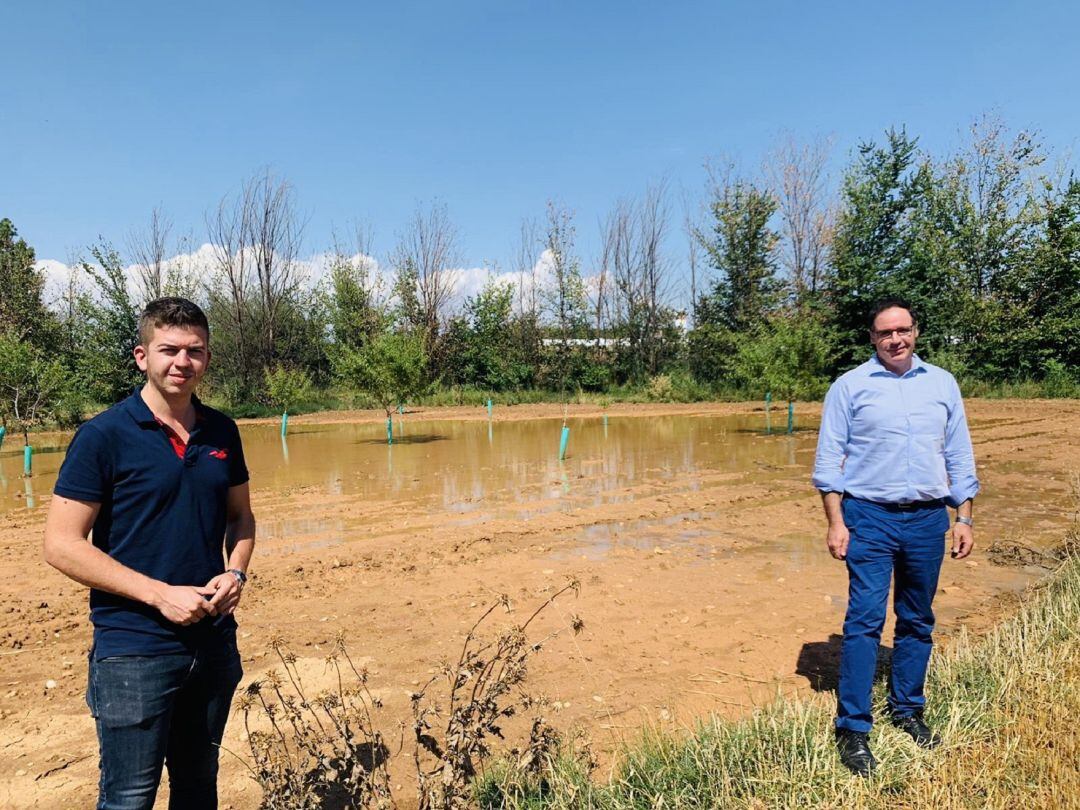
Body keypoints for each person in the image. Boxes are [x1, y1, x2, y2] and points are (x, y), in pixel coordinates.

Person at [44, 297, 255, 809]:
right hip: (133, 649)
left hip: (211, 643)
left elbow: (241, 517)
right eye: (169, 349)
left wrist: (236, 573)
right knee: (129, 798)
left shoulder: (222, 431)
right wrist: (160, 596)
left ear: (207, 359)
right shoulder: (103, 436)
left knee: (198, 787)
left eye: (195, 351)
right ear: (142, 356)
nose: (182, 361)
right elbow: (61, 544)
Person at [812, 298, 978, 777]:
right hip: (868, 517)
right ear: (872, 338)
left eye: (903, 330)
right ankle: (853, 728)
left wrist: (963, 518)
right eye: (885, 333)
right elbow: (828, 463)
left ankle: (908, 710)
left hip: (928, 519)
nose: (895, 340)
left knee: (917, 619)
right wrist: (836, 521)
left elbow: (959, 456)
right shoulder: (850, 387)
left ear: (916, 332)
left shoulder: (942, 384)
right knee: (863, 620)